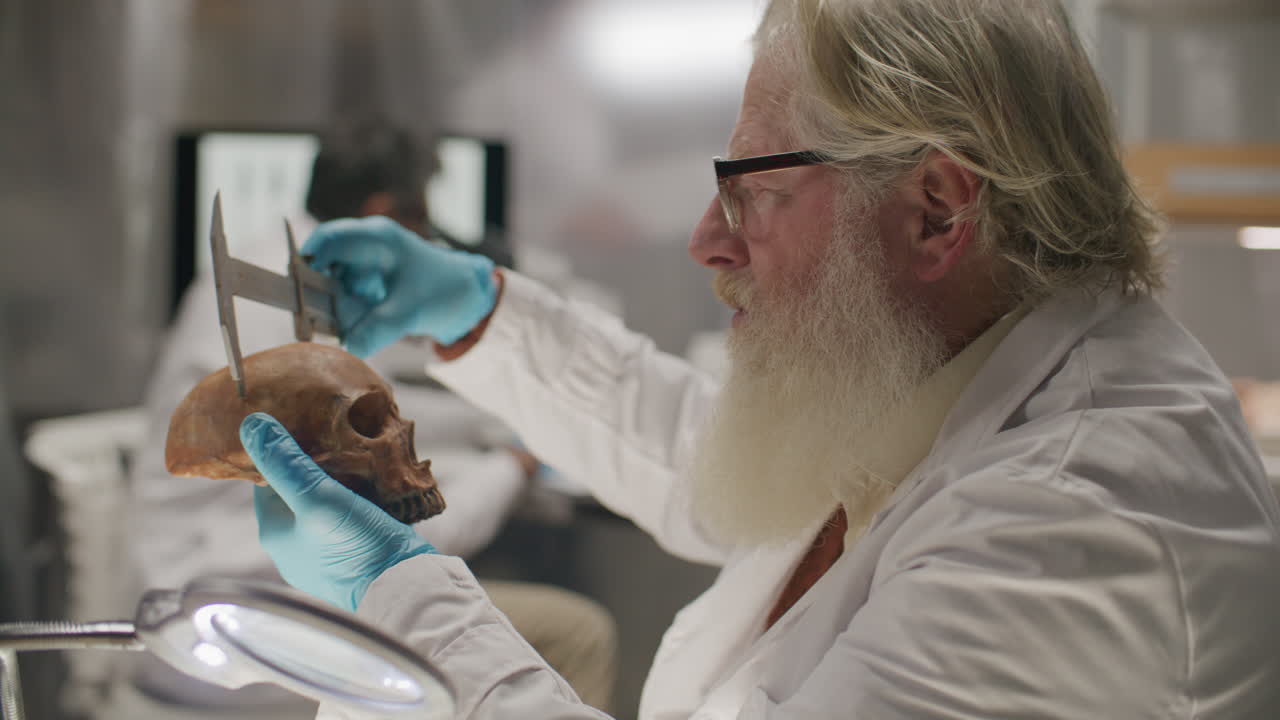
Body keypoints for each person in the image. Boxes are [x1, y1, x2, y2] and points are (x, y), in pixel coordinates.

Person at [239, 1, 1280, 717]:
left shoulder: (1077, 521)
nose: (706, 239)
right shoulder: (962, 375)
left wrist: (397, 598)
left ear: (935, 210)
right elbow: (722, 469)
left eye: (756, 191)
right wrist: (480, 313)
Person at [124, 117, 616, 715]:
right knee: (579, 630)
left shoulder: (275, 272)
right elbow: (405, 530)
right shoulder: (293, 309)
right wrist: (513, 465)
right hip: (242, 610)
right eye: (422, 220)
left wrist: (504, 423)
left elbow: (381, 413)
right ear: (387, 212)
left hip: (195, 581)